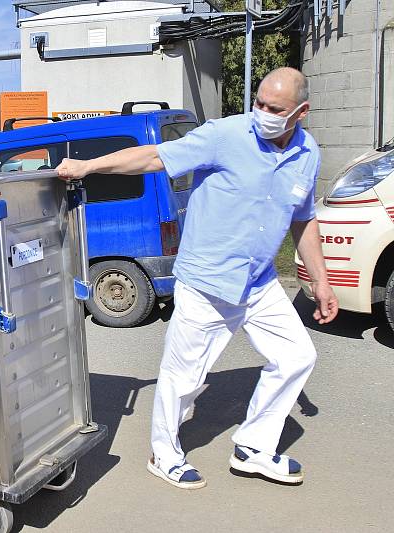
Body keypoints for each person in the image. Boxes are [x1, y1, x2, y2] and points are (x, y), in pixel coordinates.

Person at [57, 67, 338, 488]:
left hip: (259, 283)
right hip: (207, 282)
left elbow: (303, 220)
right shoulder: (226, 135)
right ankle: (163, 452)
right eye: (259, 102)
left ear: (301, 112)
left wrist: (321, 280)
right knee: (185, 375)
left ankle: (254, 448)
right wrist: (88, 166)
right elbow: (154, 157)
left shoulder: (307, 153)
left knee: (297, 357)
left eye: (274, 108)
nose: (262, 113)